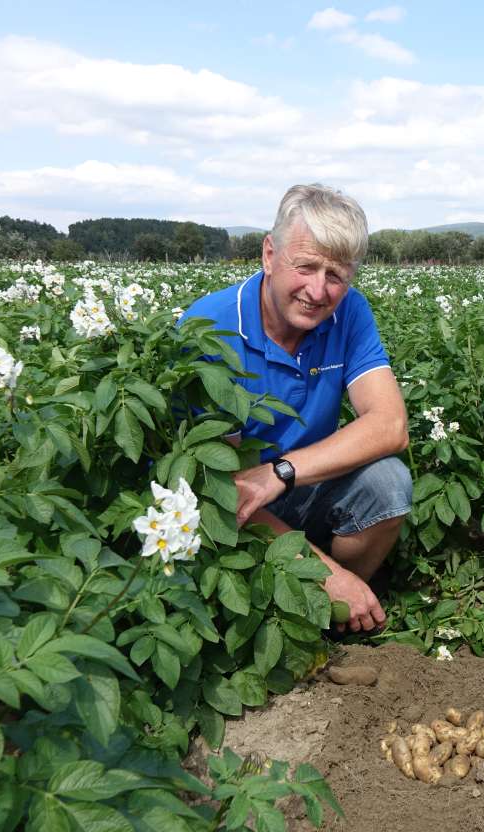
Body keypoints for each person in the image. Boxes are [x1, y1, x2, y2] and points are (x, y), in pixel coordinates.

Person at [181, 184, 410, 634]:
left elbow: (391, 424)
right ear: (269, 254)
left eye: (336, 275)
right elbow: (220, 489)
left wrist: (279, 473)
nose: (318, 291)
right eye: (304, 267)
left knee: (388, 484)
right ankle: (296, 609)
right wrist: (324, 572)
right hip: (228, 505)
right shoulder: (211, 329)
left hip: (291, 484)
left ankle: (330, 625)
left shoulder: (350, 313)